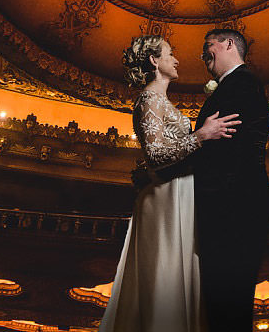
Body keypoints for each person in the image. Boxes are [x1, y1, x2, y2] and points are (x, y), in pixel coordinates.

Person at [99, 35, 241, 332]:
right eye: (170, 54)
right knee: (164, 278)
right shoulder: (149, 98)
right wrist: (201, 135)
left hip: (178, 192)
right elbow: (154, 155)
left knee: (176, 275)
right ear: (154, 61)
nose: (176, 60)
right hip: (164, 195)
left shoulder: (160, 100)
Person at [194, 28, 269, 331]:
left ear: (228, 44)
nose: (203, 54)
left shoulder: (242, 84)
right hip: (233, 208)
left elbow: (226, 153)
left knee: (227, 305)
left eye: (208, 45)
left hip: (232, 209)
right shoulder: (237, 85)